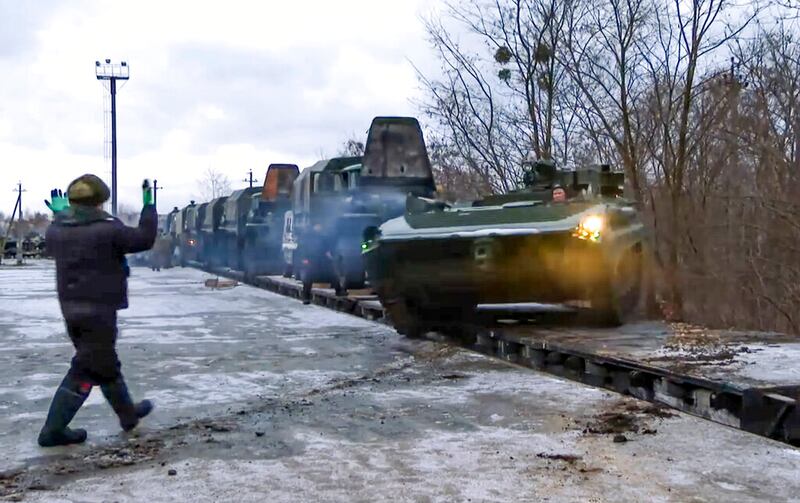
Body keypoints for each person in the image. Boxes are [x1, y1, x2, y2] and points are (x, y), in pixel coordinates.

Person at [38, 175, 157, 447]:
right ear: (100, 203)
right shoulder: (108, 229)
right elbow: (144, 239)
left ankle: (128, 415)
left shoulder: (56, 230)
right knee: (85, 369)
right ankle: (53, 430)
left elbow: (65, 234)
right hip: (99, 312)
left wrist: (60, 215)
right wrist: (149, 207)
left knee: (105, 364)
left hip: (71, 310)